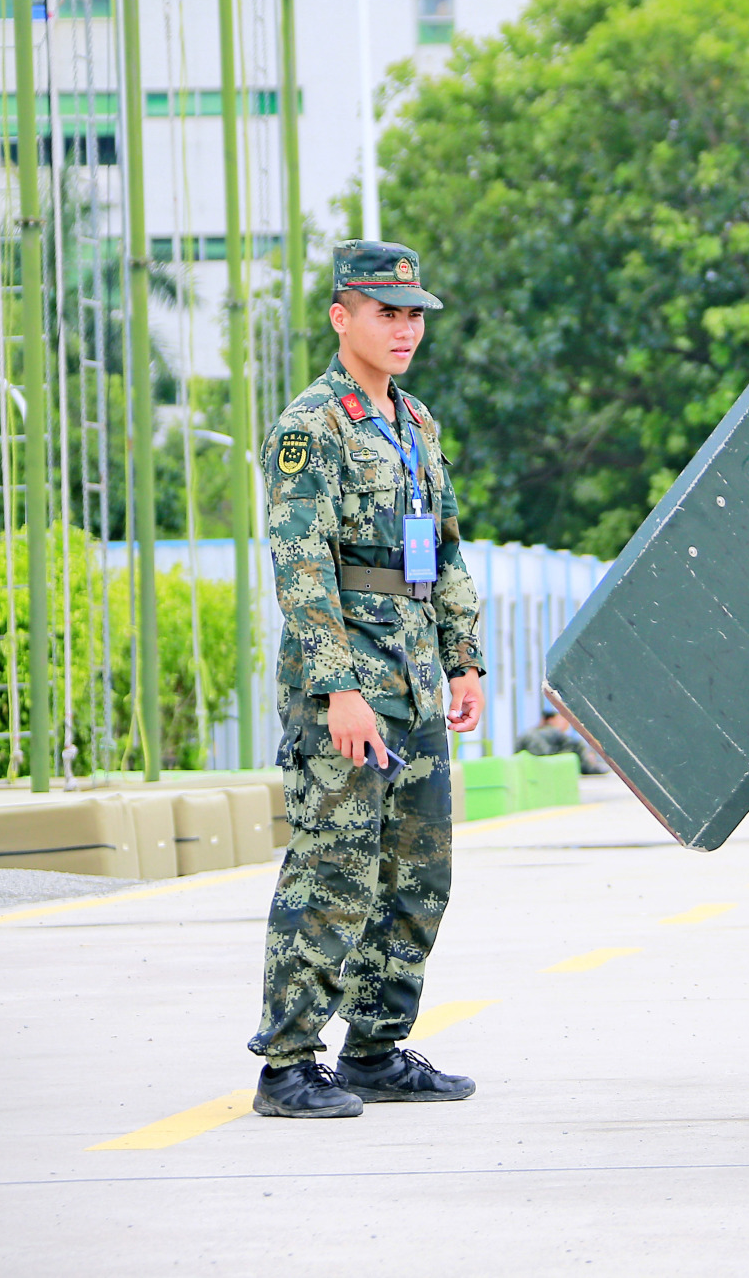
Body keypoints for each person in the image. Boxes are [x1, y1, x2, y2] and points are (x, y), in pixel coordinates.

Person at [248, 240, 486, 1119]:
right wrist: (338, 687)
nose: (405, 327)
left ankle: (377, 1048)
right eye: (387, 311)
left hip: (418, 672)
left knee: (419, 871)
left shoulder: (415, 423)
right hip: (347, 682)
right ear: (343, 316)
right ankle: (286, 1061)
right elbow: (301, 565)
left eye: (414, 312)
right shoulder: (313, 426)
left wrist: (464, 659)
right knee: (333, 867)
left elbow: (445, 549)